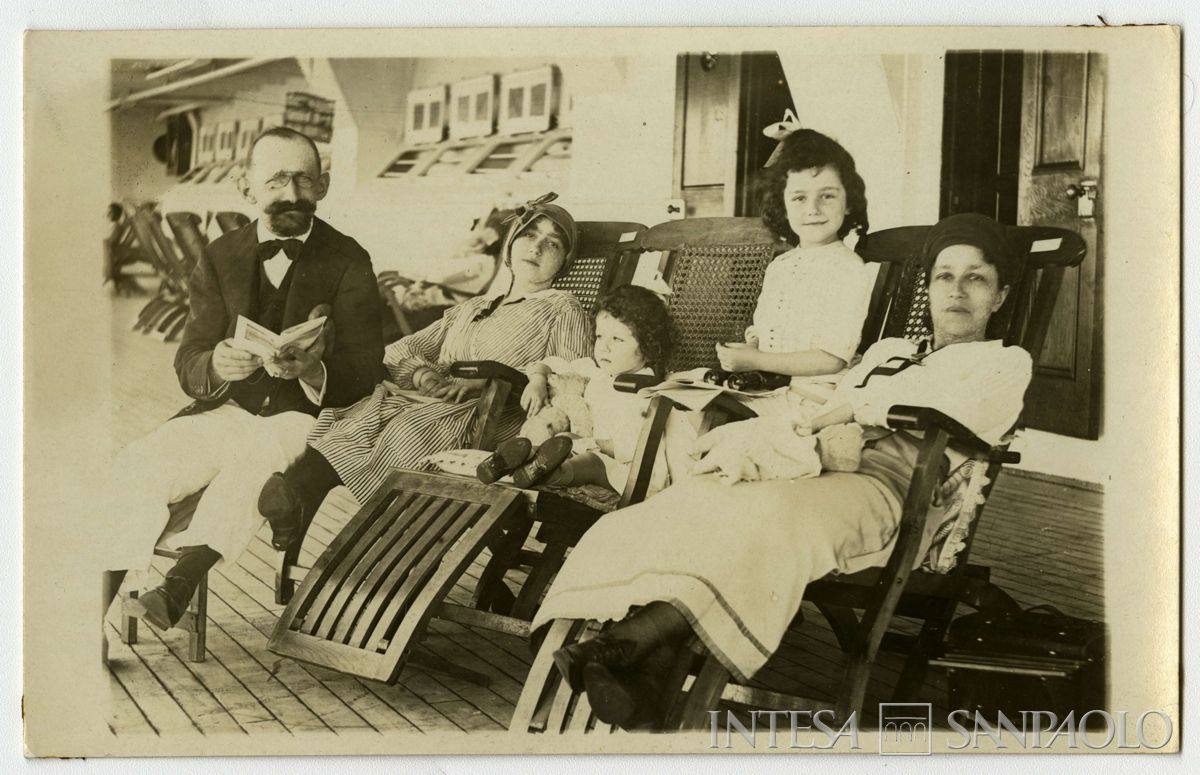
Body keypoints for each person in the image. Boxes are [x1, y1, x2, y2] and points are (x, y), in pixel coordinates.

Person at [532, 213, 1033, 729]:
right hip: (818, 465)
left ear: (999, 296)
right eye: (945, 276)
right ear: (929, 288)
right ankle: (650, 669)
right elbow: (829, 403)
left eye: (976, 277)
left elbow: (950, 411)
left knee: (767, 514)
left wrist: (850, 411)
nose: (957, 290)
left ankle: (622, 645)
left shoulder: (1005, 362)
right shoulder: (891, 352)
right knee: (705, 495)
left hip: (891, 488)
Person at [104, 127, 384, 632]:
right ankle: (92, 606)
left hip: (304, 417)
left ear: (323, 186)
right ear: (245, 185)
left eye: (304, 179)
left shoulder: (350, 259)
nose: (292, 193)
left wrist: (315, 370)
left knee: (255, 466)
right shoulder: (219, 254)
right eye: (276, 179)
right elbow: (189, 354)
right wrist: (215, 365)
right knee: (141, 461)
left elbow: (367, 366)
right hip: (227, 410)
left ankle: (179, 583)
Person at [257, 194, 593, 548]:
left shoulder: (562, 307)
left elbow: (572, 378)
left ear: (564, 261)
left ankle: (369, 538)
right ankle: (293, 496)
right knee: (357, 418)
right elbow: (404, 348)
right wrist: (423, 375)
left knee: (406, 429)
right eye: (529, 235)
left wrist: (498, 378)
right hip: (432, 401)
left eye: (552, 243)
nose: (537, 247)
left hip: (489, 416)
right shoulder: (474, 306)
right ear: (510, 246)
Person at [714, 128, 877, 416]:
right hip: (768, 390)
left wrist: (756, 360)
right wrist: (750, 347)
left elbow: (832, 359)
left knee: (717, 436)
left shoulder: (847, 269)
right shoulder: (781, 266)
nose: (812, 209)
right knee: (684, 410)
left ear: (848, 201)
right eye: (799, 198)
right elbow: (763, 329)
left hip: (814, 399)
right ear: (784, 207)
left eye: (827, 196)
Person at [474, 284, 674, 492]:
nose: (603, 347)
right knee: (552, 448)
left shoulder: (647, 390)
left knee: (591, 462)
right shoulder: (597, 373)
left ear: (650, 347)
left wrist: (583, 443)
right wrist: (538, 380)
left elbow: (632, 446)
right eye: (599, 336)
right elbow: (554, 363)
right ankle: (510, 463)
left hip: (631, 474)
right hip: (579, 448)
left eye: (617, 339)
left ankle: (549, 474)